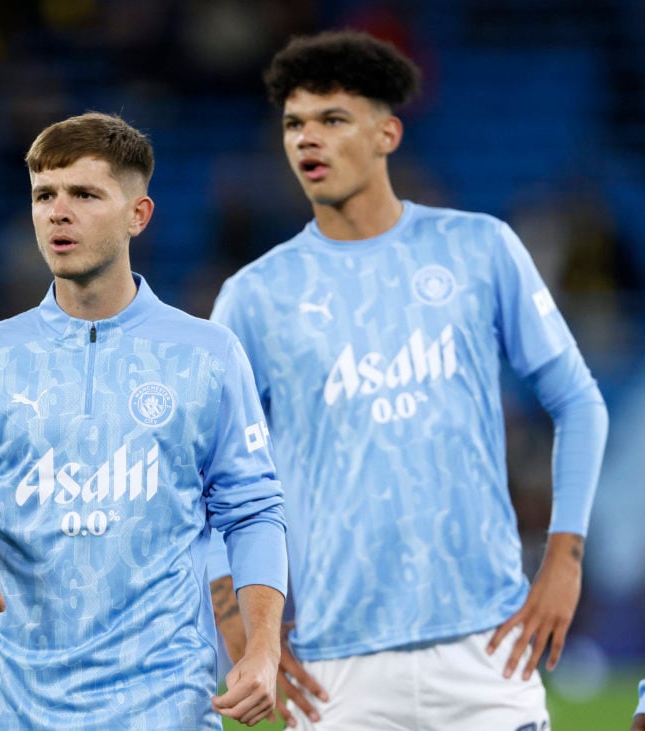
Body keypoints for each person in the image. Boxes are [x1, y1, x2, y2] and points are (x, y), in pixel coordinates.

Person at [207, 30, 608, 730]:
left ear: (387, 132)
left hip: (489, 650)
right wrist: (235, 619)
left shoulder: (478, 247)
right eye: (294, 123)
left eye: (333, 120)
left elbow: (578, 400)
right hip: (337, 669)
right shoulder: (255, 296)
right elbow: (213, 472)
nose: (308, 139)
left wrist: (565, 558)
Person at [0, 112, 288, 730]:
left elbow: (254, 512)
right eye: (44, 195)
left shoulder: (207, 355)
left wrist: (264, 648)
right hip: (18, 710)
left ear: (138, 215)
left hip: (165, 706)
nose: (59, 212)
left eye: (84, 194)